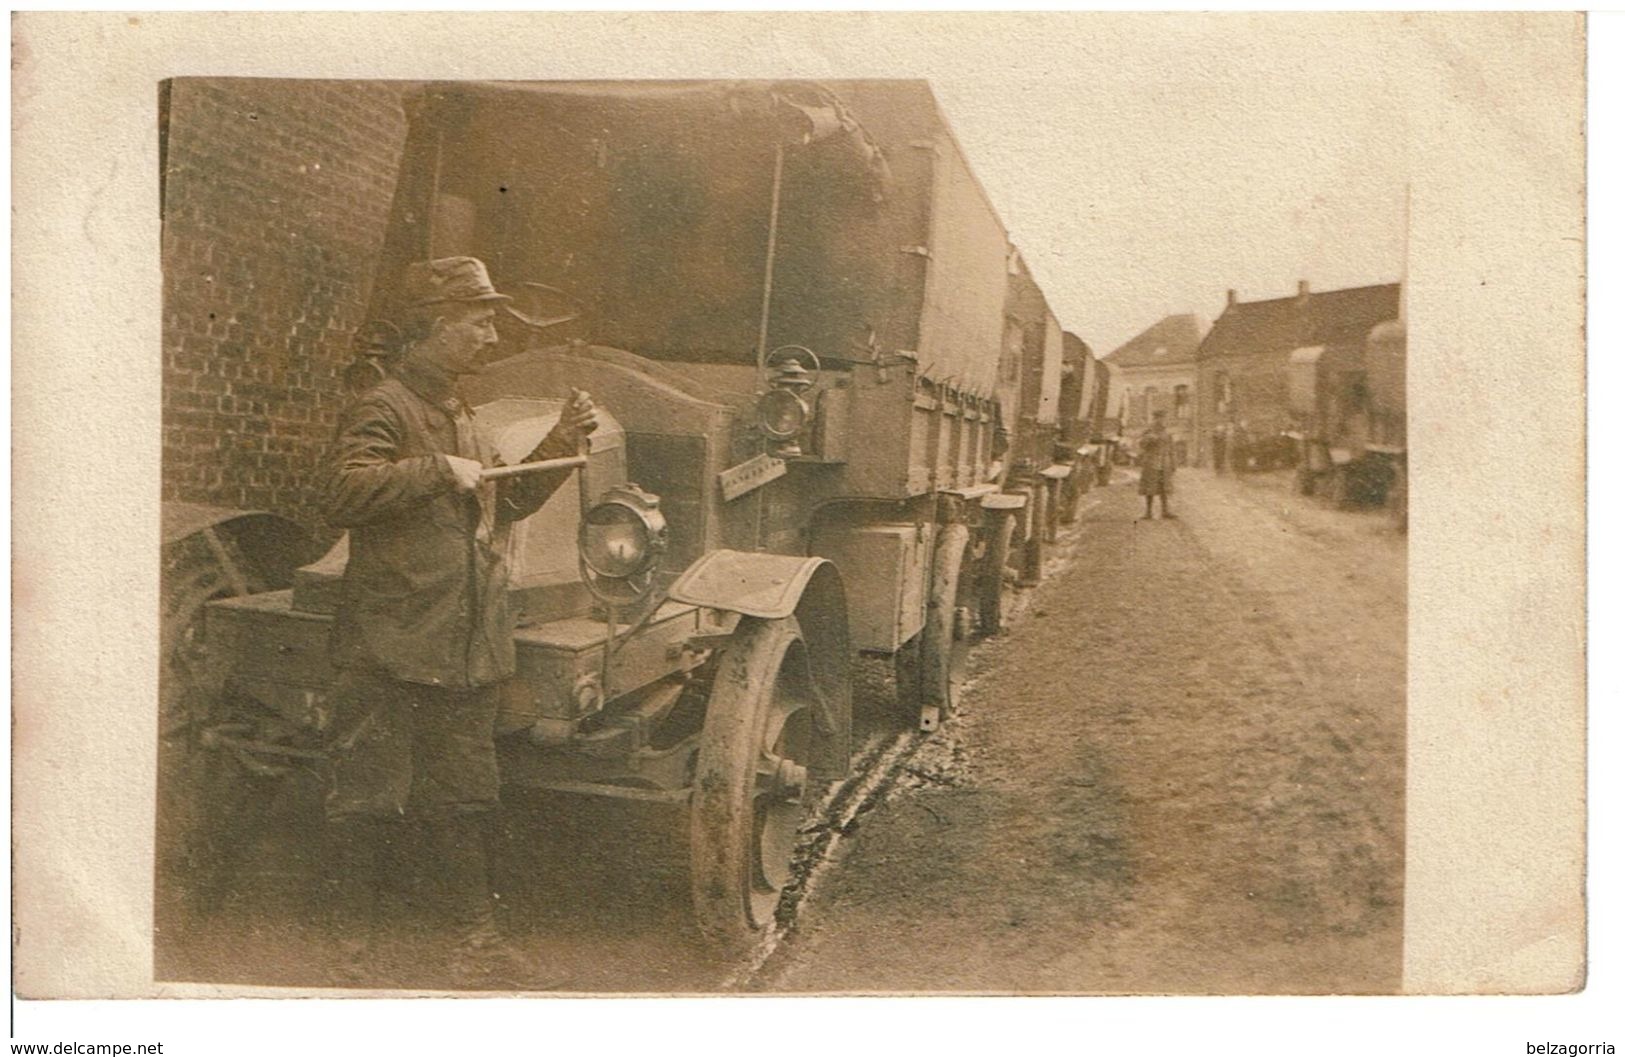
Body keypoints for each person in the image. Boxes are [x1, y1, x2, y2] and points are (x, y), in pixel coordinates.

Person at [319, 256, 598, 987]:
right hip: (390, 648)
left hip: (464, 648)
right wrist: (437, 469)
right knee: (367, 799)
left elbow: (499, 504)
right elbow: (343, 491)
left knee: (466, 800)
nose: (491, 330)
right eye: (476, 318)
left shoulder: (459, 413)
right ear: (433, 326)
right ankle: (347, 957)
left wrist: (562, 441)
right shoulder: (385, 405)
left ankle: (473, 946)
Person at [1138, 410, 1177, 520]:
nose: (1162, 420)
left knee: (1164, 487)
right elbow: (1141, 445)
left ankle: (1165, 511)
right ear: (1155, 419)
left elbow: (1172, 448)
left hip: (1164, 463)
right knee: (1150, 487)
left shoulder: (1167, 432)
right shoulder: (1148, 431)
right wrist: (1149, 439)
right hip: (1151, 462)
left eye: (1164, 418)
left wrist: (1173, 463)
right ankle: (1148, 512)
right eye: (1160, 418)